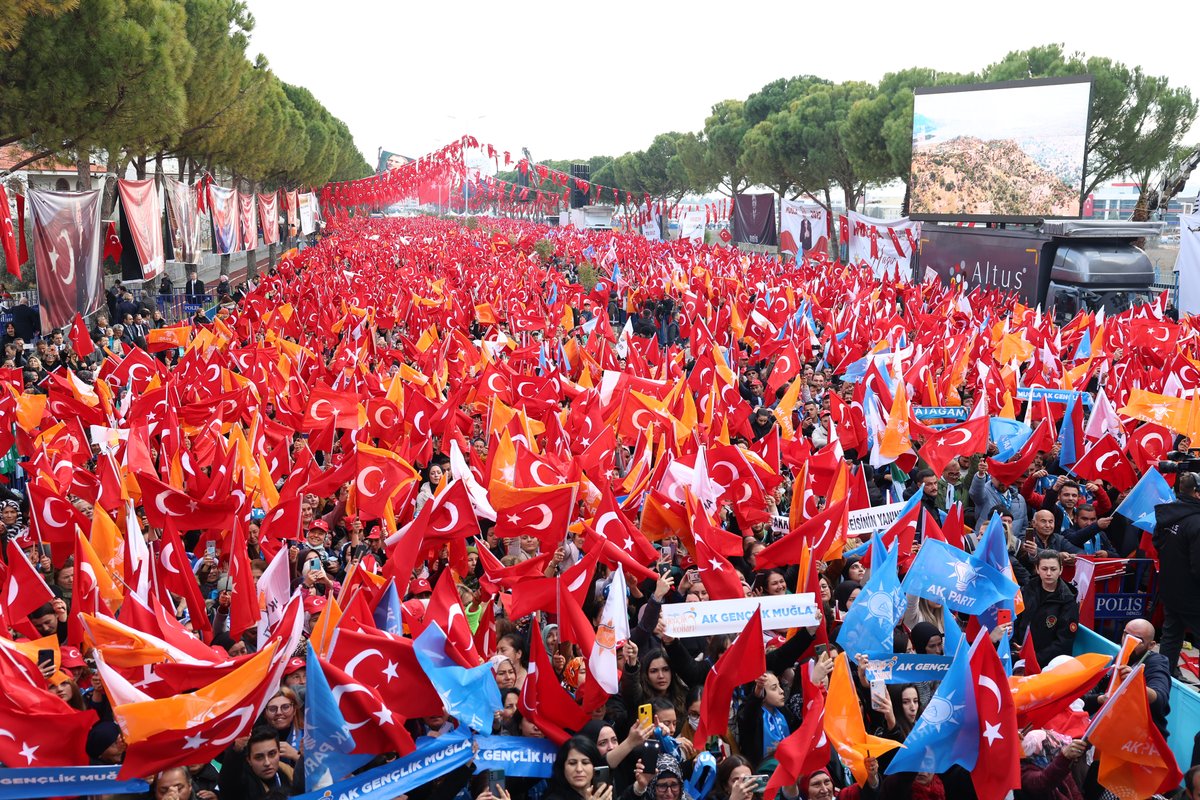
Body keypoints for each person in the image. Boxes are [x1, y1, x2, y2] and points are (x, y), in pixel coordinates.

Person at [1152, 471, 1200, 676]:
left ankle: (1162, 679)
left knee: (1171, 636)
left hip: (1171, 589)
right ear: (1197, 493)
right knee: (1172, 635)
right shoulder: (1197, 522)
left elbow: (1157, 544)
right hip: (1192, 595)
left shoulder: (1168, 514)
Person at [1014, 551, 1079, 667]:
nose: (1048, 573)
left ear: (1061, 570)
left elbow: (1063, 643)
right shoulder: (1027, 589)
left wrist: (1033, 658)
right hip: (1019, 653)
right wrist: (1013, 645)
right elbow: (1016, 618)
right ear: (1037, 569)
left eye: (1053, 569)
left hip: (1047, 662)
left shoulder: (1067, 600)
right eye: (1044, 569)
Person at [219, 727, 299, 799]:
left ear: (279, 753)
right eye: (259, 757)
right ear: (249, 760)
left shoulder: (288, 774)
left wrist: (301, 758)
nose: (267, 763)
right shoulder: (242, 783)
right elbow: (228, 785)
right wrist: (236, 750)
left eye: (272, 754)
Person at [540, 735, 612, 800]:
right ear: (562, 767)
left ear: (595, 766)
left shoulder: (605, 795)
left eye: (585, 762)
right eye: (572, 763)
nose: (579, 769)